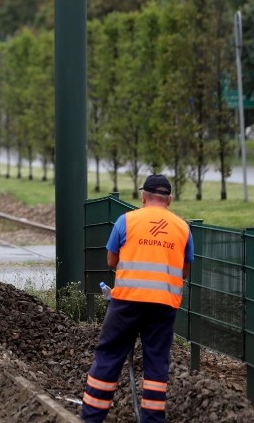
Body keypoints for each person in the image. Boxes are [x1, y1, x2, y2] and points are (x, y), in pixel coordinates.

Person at [81, 174, 194, 423]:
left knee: (109, 355)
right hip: (164, 306)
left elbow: (111, 260)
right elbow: (185, 270)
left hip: (126, 303)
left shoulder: (126, 220)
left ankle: (91, 418)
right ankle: (153, 420)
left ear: (143, 197)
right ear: (170, 200)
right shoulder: (182, 228)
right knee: (156, 363)